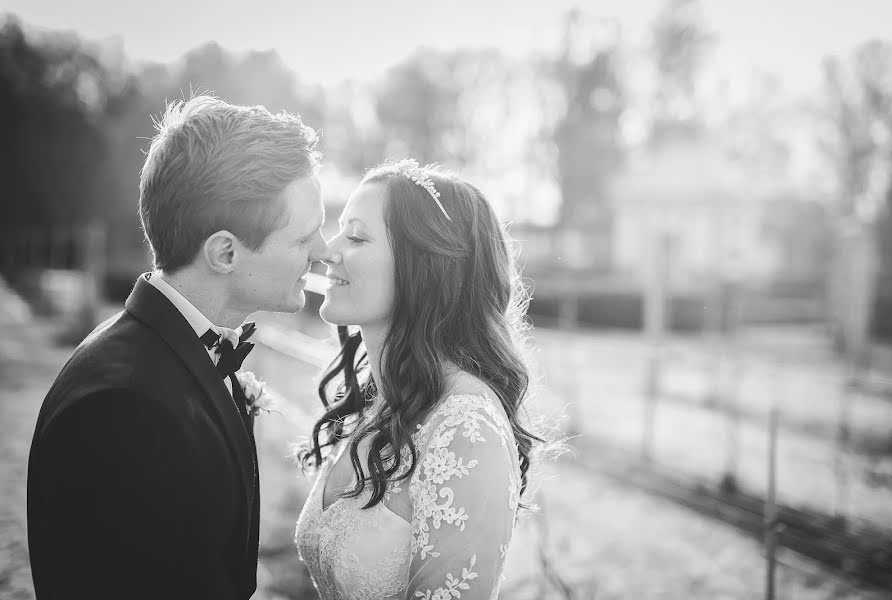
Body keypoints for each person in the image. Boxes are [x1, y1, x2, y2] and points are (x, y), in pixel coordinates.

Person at [27, 95, 327, 599]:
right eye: (304, 239)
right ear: (225, 252)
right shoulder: (122, 407)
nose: (321, 252)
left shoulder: (175, 352)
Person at [295, 159, 541, 599]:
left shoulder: (465, 430)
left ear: (423, 268)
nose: (326, 250)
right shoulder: (379, 401)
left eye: (355, 236)